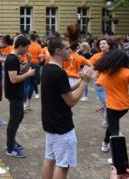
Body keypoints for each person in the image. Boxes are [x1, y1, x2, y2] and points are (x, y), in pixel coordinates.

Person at [41, 37, 92, 179]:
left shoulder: (47, 69)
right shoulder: (59, 73)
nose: (70, 51)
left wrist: (80, 81)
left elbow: (64, 90)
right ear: (58, 51)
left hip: (50, 123)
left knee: (49, 159)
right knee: (62, 165)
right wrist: (85, 82)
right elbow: (72, 101)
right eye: (67, 48)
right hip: (62, 127)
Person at [95, 49, 129, 160]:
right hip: (125, 106)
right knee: (112, 124)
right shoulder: (128, 73)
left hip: (112, 106)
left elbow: (98, 83)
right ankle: (105, 144)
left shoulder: (105, 73)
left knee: (115, 131)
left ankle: (117, 158)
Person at [5, 35, 35, 158]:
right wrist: (28, 74)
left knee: (19, 116)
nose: (27, 50)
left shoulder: (16, 58)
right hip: (14, 93)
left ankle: (12, 141)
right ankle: (10, 147)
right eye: (26, 47)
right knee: (14, 119)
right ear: (21, 46)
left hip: (17, 92)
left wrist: (28, 61)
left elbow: (21, 71)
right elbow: (14, 79)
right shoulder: (12, 59)